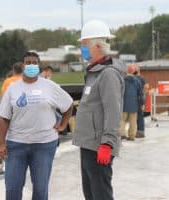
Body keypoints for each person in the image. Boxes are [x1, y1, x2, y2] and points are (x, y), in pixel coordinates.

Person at [0, 51, 73, 200]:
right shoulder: (13, 88)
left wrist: (63, 124)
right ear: (22, 65)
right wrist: (0, 144)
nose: (31, 65)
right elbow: (3, 117)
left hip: (44, 145)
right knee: (12, 187)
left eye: (34, 62)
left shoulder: (50, 86)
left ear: (39, 66)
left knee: (40, 188)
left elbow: (69, 104)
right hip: (16, 145)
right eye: (28, 62)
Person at [72, 20, 126, 200]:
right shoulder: (94, 73)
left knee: (100, 194)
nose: (82, 49)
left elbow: (113, 111)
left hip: (99, 147)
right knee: (91, 194)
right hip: (88, 143)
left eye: (84, 45)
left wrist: (107, 143)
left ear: (96, 45)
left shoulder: (108, 74)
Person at [120, 64, 144, 141]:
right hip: (134, 105)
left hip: (123, 104)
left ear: (126, 71)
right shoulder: (137, 81)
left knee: (122, 120)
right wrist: (142, 103)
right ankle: (131, 136)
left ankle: (122, 134)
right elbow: (140, 93)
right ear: (134, 71)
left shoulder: (122, 80)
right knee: (133, 121)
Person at [133, 65, 149, 138]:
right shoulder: (138, 78)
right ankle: (138, 131)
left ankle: (140, 131)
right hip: (138, 99)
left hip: (138, 99)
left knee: (138, 116)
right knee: (137, 116)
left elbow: (146, 86)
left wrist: (142, 94)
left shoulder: (141, 78)